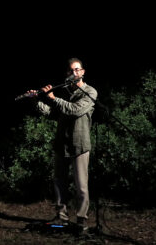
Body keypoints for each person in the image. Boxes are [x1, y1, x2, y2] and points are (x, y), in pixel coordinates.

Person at [26, 58, 97, 231]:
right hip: (61, 144)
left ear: (83, 72)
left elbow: (75, 110)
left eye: (77, 70)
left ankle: (81, 220)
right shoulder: (64, 92)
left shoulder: (90, 92)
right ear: (67, 73)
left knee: (81, 185)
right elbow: (52, 112)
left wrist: (53, 98)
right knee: (59, 182)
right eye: (71, 71)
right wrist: (36, 101)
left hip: (79, 144)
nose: (74, 73)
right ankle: (61, 216)